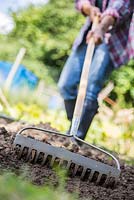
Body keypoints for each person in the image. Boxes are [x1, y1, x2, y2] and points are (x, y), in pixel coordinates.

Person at [58, 0, 134, 141]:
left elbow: (116, 10)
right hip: (88, 34)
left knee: (90, 91)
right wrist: (89, 9)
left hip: (111, 41)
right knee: (65, 85)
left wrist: (100, 28)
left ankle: (75, 139)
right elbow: (81, 2)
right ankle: (77, 122)